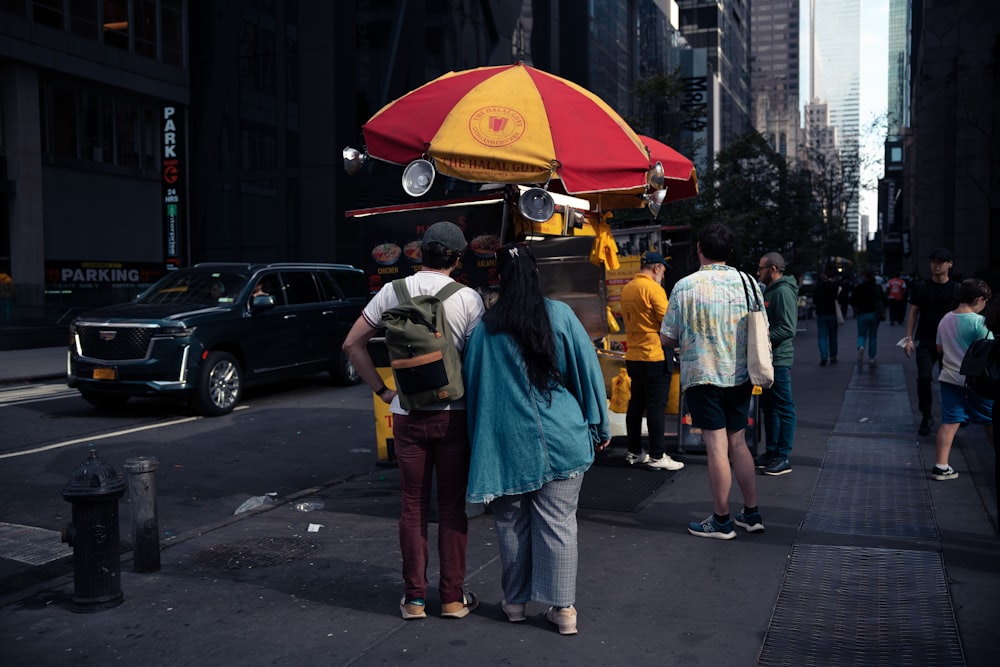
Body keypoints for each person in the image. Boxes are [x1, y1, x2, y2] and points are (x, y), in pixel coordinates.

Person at [463, 242, 610, 636]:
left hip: (506, 444)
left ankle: (514, 604)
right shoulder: (559, 315)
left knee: (511, 523)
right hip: (563, 438)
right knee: (559, 523)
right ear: (536, 274)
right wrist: (598, 426)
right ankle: (564, 611)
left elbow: (476, 392)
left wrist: (478, 444)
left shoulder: (485, 329)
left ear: (500, 278)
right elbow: (587, 372)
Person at [342, 221, 485, 620]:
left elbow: (351, 344)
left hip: (407, 416)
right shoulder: (469, 299)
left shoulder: (391, 291)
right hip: (453, 417)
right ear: (457, 259)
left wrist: (385, 392)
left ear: (420, 252)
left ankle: (414, 600)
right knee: (453, 508)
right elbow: (477, 365)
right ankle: (453, 599)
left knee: (412, 507)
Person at [661, 222, 764, 539]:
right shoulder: (748, 282)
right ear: (729, 252)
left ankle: (721, 521)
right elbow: (760, 326)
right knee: (738, 443)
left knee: (716, 448)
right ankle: (751, 513)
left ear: (699, 249)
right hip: (741, 375)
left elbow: (667, 336)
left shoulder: (685, 286)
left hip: (703, 376)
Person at [619, 250, 684, 470]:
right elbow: (668, 322)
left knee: (636, 405)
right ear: (656, 268)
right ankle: (657, 455)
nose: (663, 275)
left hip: (634, 356)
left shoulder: (627, 288)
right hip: (655, 355)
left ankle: (635, 451)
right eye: (663, 270)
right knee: (656, 407)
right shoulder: (653, 289)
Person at [931, 278, 994, 480]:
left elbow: (939, 348)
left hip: (949, 377)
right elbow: (990, 348)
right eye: (985, 302)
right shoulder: (978, 322)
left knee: (950, 421)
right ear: (979, 299)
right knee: (990, 420)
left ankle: (941, 466)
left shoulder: (945, 319)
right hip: (977, 381)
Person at [903, 248, 960, 435]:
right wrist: (909, 338)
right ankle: (926, 415)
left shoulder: (956, 289)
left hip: (949, 344)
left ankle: (951, 417)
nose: (936, 265)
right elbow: (913, 313)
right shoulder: (922, 286)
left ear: (950, 264)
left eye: (941, 262)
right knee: (924, 377)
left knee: (950, 381)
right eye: (933, 261)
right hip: (926, 341)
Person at [756, 252, 798, 476]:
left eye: (761, 268)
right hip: (769, 358)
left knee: (783, 407)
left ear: (772, 269)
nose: (758, 272)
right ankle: (772, 452)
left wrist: (761, 338)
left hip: (778, 359)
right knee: (770, 407)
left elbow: (788, 328)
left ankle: (783, 456)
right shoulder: (772, 290)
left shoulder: (782, 291)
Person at [850, 267, 889, 365]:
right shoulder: (877, 287)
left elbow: (852, 301)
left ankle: (861, 346)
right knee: (873, 336)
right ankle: (872, 357)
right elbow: (885, 301)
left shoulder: (858, 288)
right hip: (875, 314)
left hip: (862, 314)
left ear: (863, 276)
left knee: (861, 334)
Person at [813, 273, 841, 365]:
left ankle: (824, 356)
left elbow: (815, 300)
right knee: (833, 336)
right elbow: (837, 295)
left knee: (822, 336)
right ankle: (833, 355)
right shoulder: (833, 286)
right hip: (832, 313)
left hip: (821, 313)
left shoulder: (818, 287)